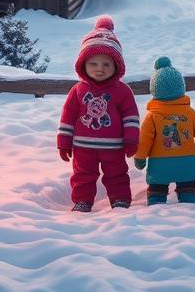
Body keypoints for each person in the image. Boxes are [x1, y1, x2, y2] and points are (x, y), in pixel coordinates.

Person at [56, 15, 140, 211]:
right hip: (82, 147)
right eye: (93, 64)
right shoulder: (78, 90)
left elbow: (130, 116)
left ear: (116, 66)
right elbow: (67, 116)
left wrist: (131, 139)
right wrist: (64, 142)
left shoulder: (122, 90)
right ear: (83, 65)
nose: (100, 69)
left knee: (117, 173)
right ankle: (82, 201)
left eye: (106, 64)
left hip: (114, 147)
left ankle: (120, 200)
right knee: (82, 174)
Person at [134, 56, 195, 205]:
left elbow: (145, 138)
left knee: (157, 188)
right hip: (186, 163)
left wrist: (140, 157)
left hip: (160, 165)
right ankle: (188, 201)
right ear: (181, 87)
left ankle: (156, 204)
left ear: (154, 90)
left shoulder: (152, 116)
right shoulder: (189, 113)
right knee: (187, 187)